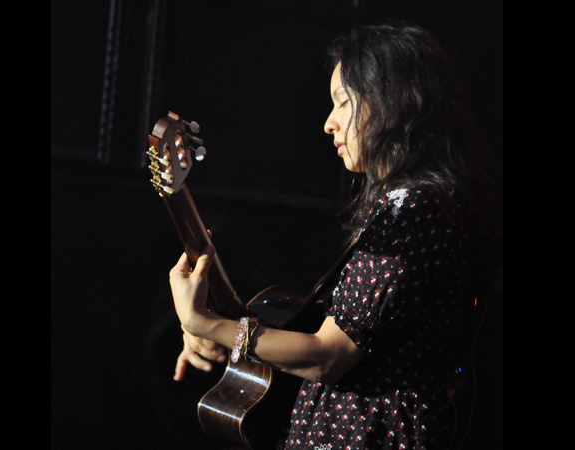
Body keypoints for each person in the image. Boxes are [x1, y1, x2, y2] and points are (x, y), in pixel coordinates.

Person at [170, 22, 492, 450]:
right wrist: (218, 331)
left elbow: (328, 356)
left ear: (391, 100)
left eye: (343, 102)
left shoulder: (414, 210)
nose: (328, 124)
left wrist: (203, 322)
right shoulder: (411, 208)